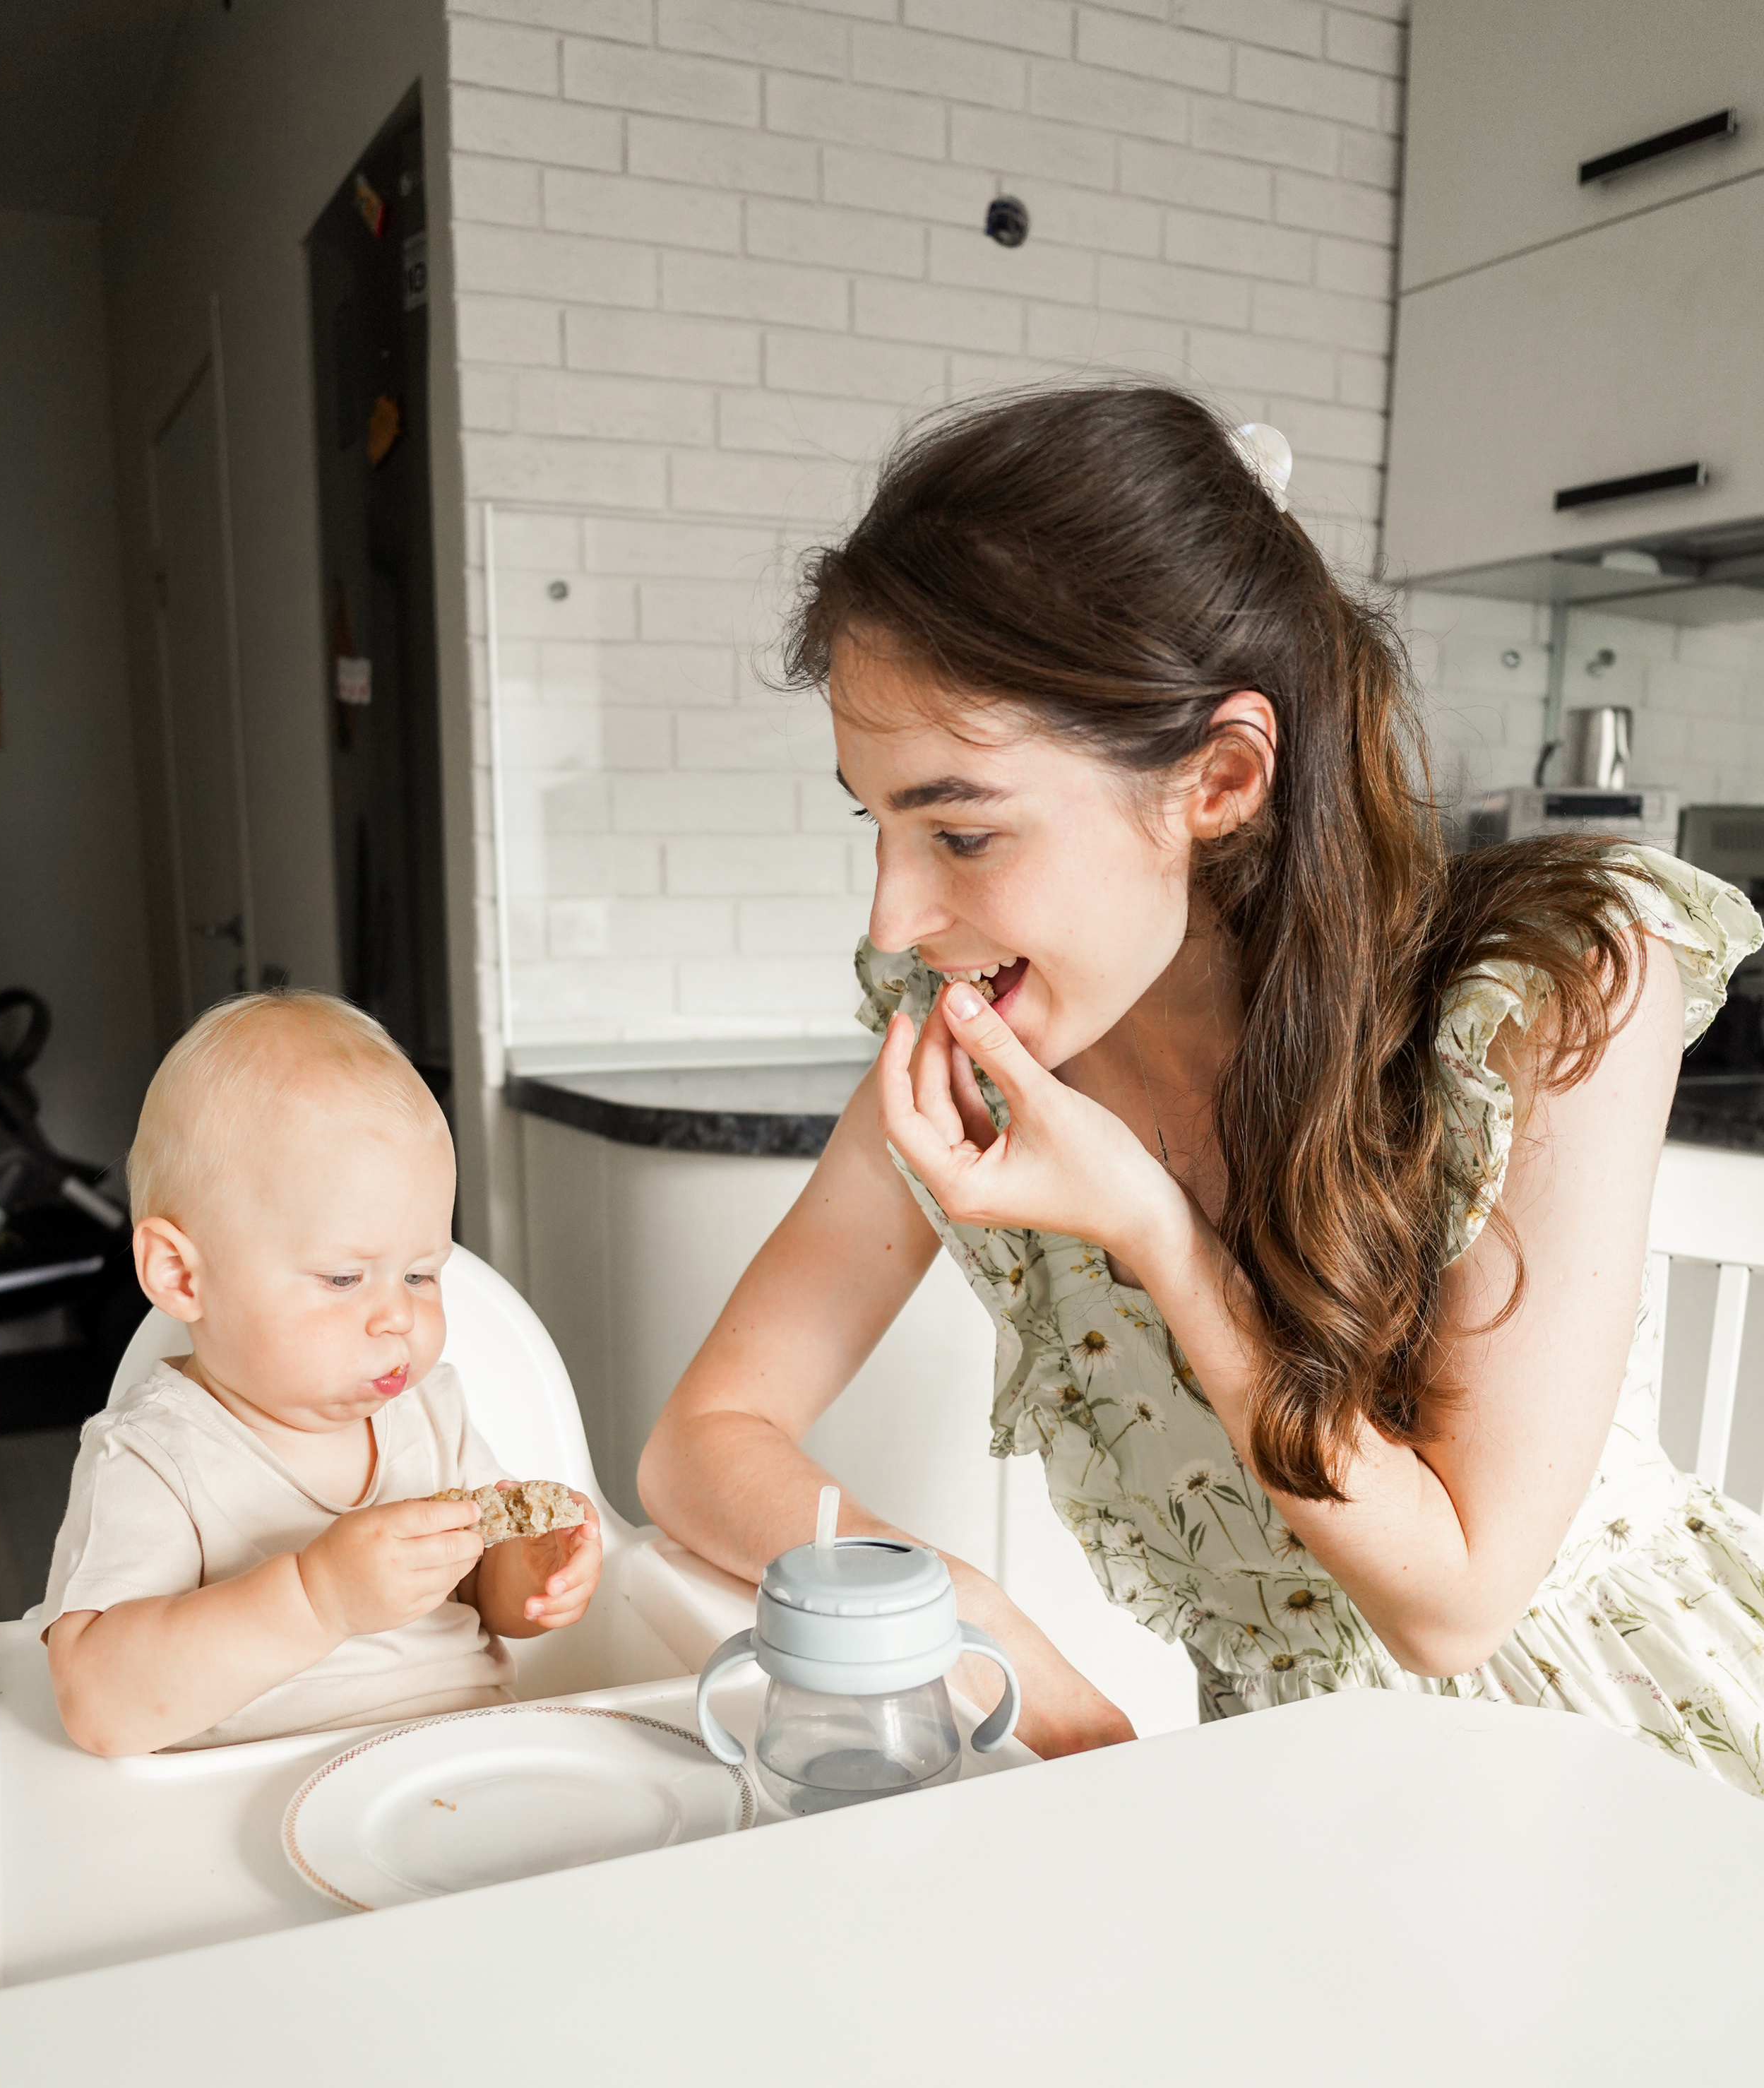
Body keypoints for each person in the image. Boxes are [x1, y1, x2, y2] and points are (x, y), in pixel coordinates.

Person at [640, 384, 1764, 1787]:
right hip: (1290, 1797)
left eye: (962, 834)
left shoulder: (1548, 995)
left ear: (1218, 775)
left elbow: (1452, 1603)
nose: (889, 919)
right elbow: (698, 1442)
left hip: (1622, 1767)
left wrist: (1154, 1233)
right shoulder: (975, 1049)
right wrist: (944, 1609)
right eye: (876, 825)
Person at [40, 992, 601, 1755]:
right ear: (180, 1275)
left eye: (421, 1275)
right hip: (239, 1811)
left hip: (468, 1762)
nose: (397, 1317)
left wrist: (528, 1575)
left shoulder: (431, 1417)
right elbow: (98, 1704)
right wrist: (318, 1600)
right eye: (343, 1279)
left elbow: (476, 1591)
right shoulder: (151, 1459)